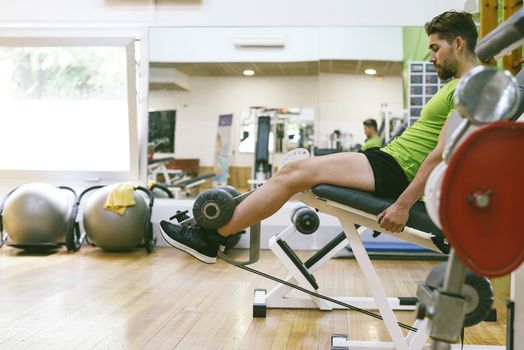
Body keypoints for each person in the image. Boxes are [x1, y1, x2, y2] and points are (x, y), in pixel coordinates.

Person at [160, 10, 479, 264]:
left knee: (295, 173)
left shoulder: (474, 86)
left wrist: (403, 205)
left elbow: (441, 154)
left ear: (459, 44)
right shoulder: (462, 84)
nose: (432, 57)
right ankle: (211, 233)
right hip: (390, 160)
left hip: (397, 170)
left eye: (436, 48)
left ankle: (210, 238)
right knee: (293, 172)